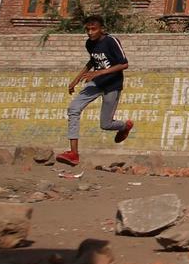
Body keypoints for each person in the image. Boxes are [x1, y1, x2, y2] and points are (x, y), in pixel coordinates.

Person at [57, 15, 133, 167]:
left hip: (112, 85)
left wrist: (99, 72)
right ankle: (73, 154)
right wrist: (76, 79)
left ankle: (125, 126)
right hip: (96, 83)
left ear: (102, 29)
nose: (90, 32)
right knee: (73, 109)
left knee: (105, 124)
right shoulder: (89, 44)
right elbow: (92, 61)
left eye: (94, 29)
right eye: (88, 29)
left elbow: (124, 64)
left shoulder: (111, 41)